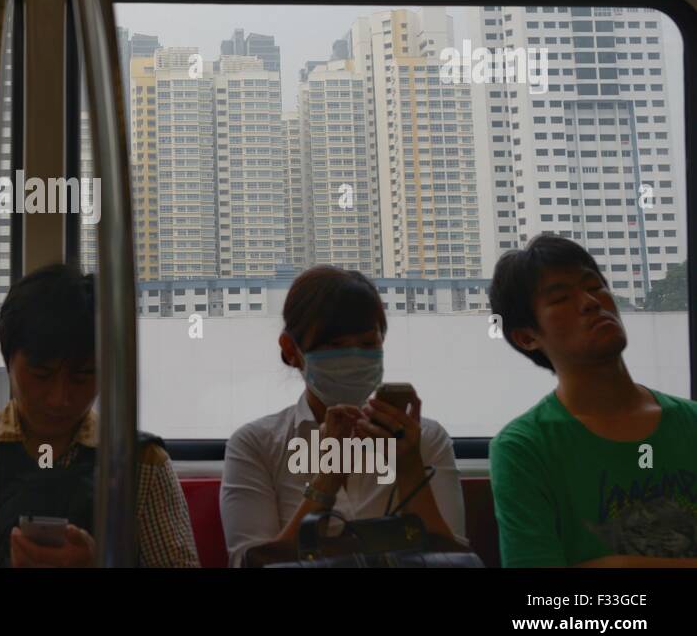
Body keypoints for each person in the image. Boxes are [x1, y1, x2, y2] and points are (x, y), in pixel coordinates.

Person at [0, 263, 200, 567]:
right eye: (41, 374)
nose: (60, 399)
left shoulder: (143, 463)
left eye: (83, 376)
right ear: (8, 361)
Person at [220, 266, 466, 567]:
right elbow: (251, 563)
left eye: (367, 344)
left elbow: (454, 559)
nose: (353, 357)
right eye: (333, 345)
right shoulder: (255, 445)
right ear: (291, 349)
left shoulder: (425, 438)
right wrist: (327, 479)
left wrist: (409, 466)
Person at [488, 234, 697, 567]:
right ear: (527, 337)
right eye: (560, 299)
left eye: (595, 286)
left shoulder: (691, 422)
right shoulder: (523, 449)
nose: (590, 301)